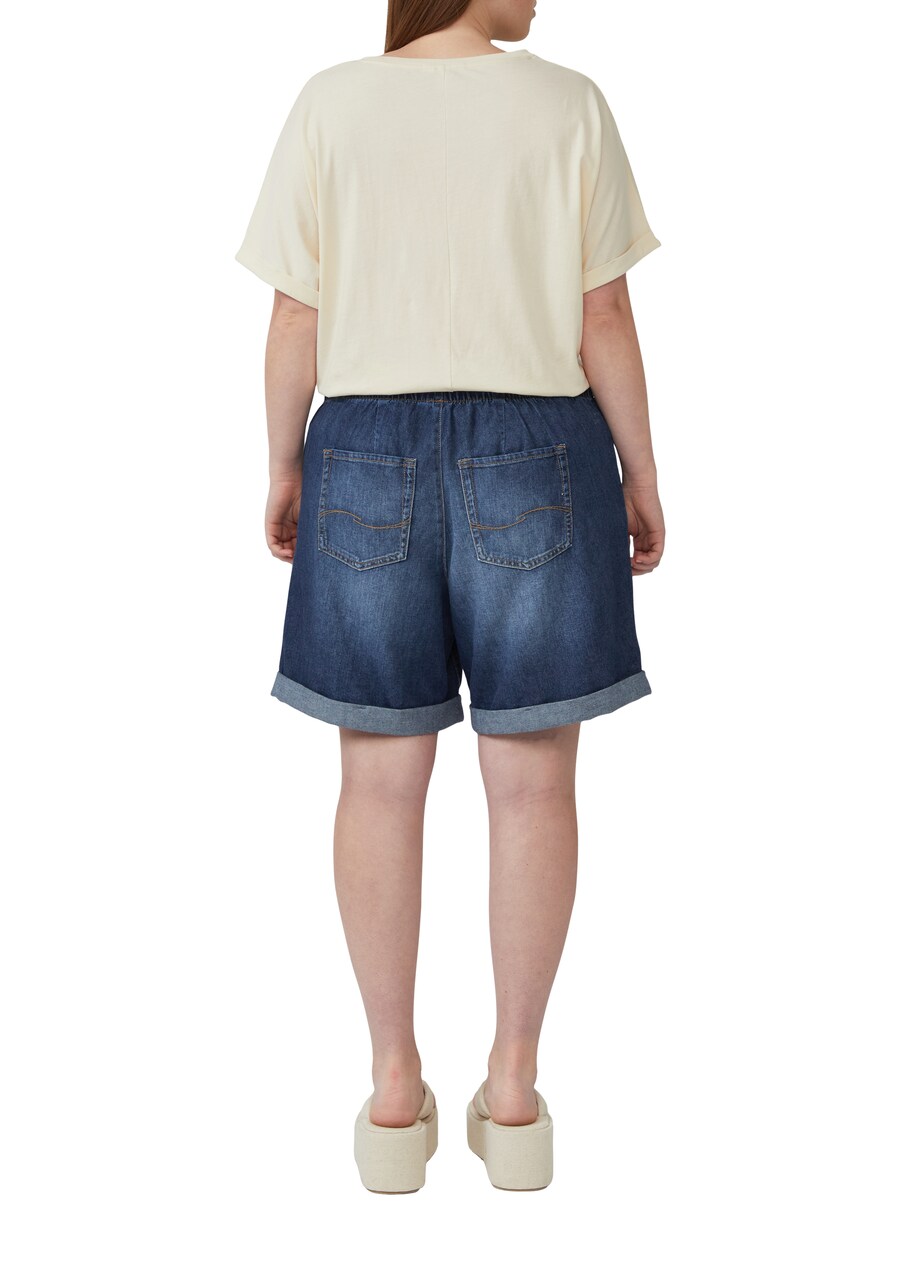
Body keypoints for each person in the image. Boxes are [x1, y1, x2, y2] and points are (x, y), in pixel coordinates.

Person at [234, 0, 665, 1193]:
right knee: (531, 784)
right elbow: (603, 315)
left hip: (363, 451)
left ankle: (391, 1088)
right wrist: (640, 471)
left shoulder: (333, 103)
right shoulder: (567, 104)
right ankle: (514, 1092)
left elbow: (295, 313)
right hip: (541, 449)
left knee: (378, 782)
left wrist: (284, 464)